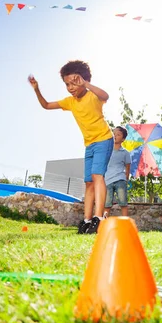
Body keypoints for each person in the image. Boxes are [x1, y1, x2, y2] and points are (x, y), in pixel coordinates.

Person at [28, 60, 113, 234]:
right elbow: (46, 105)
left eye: (75, 82)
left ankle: (99, 218)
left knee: (97, 176)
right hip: (89, 144)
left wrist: (87, 84)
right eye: (67, 84)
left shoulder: (93, 95)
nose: (71, 87)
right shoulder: (70, 102)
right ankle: (87, 220)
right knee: (88, 182)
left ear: (83, 79)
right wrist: (36, 88)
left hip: (104, 139)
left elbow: (106, 96)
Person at [104, 126, 132, 217]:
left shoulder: (125, 153)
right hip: (107, 180)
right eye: (114, 134)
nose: (115, 136)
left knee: (123, 203)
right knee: (107, 204)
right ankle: (103, 224)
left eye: (118, 134)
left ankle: (125, 223)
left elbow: (128, 167)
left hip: (120, 179)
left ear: (123, 139)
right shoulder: (106, 151)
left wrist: (126, 179)